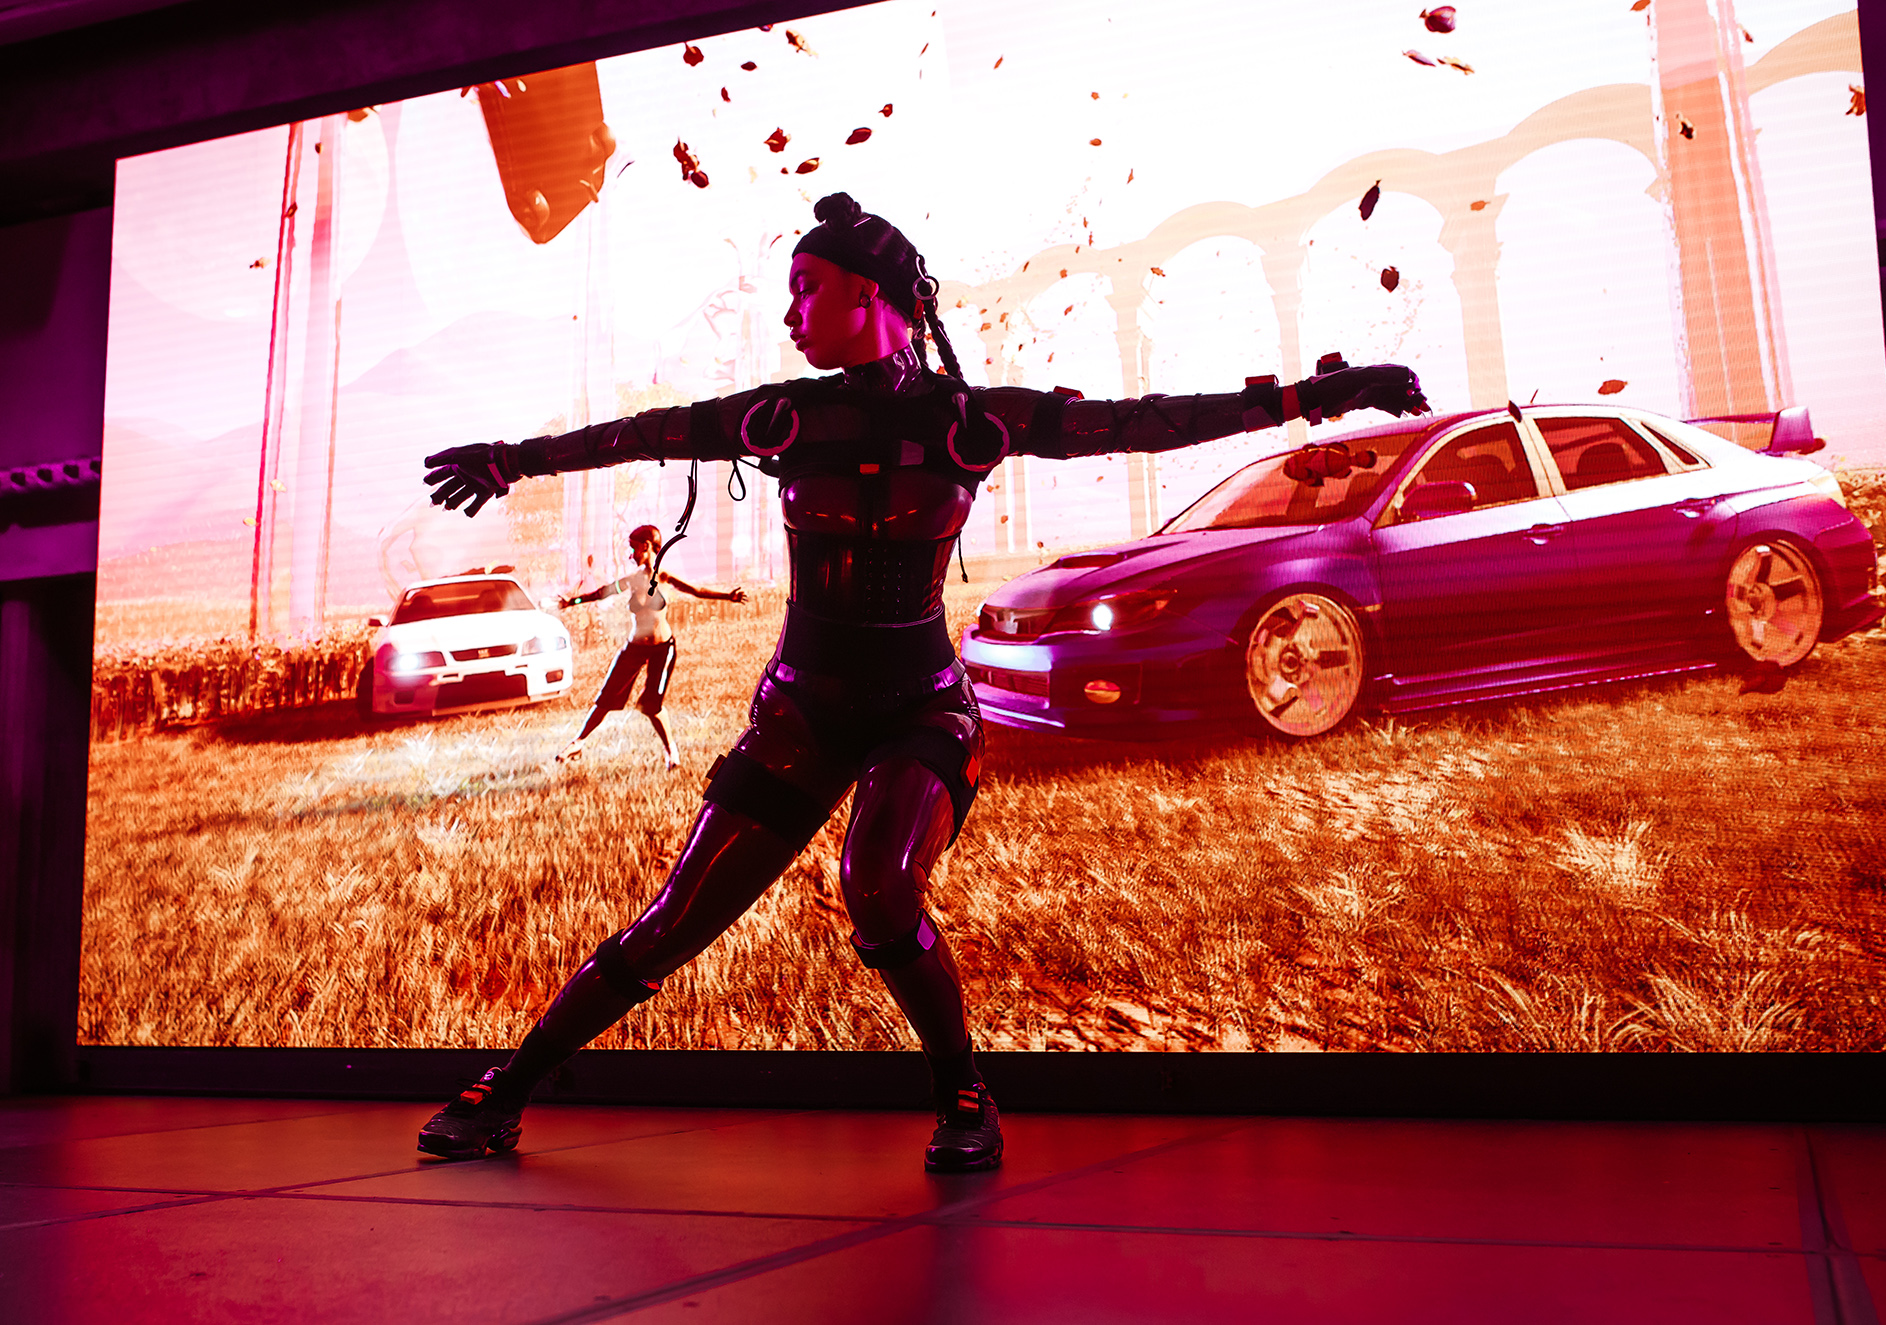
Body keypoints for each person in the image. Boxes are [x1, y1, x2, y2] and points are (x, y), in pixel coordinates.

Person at [416, 192, 1428, 1171]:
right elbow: (642, 433)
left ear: (872, 295)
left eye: (806, 288)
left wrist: (1312, 397)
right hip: (798, 710)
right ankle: (505, 1089)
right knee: (676, 920)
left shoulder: (966, 420)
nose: (788, 312)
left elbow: (1140, 421)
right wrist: (512, 458)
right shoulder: (781, 418)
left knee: (879, 882)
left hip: (922, 709)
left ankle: (962, 1092)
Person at [555, 524, 747, 767]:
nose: (631, 555)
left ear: (646, 547)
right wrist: (573, 601)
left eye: (634, 549)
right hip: (634, 648)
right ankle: (578, 743)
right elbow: (602, 593)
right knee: (605, 699)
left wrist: (727, 596)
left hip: (662, 648)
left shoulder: (664, 577)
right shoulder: (632, 581)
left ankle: (671, 753)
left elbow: (696, 591)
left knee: (651, 705)